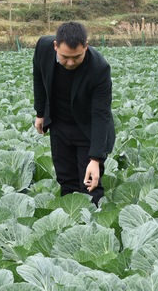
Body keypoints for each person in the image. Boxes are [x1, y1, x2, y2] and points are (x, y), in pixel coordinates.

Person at [33, 22, 115, 205]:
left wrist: (95, 159)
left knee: (89, 185)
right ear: (55, 46)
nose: (70, 63)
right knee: (66, 180)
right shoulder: (43, 48)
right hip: (59, 124)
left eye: (77, 57)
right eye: (65, 57)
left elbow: (101, 115)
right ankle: (69, 224)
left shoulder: (99, 68)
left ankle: (91, 227)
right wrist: (40, 112)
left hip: (87, 128)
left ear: (86, 46)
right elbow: (38, 75)